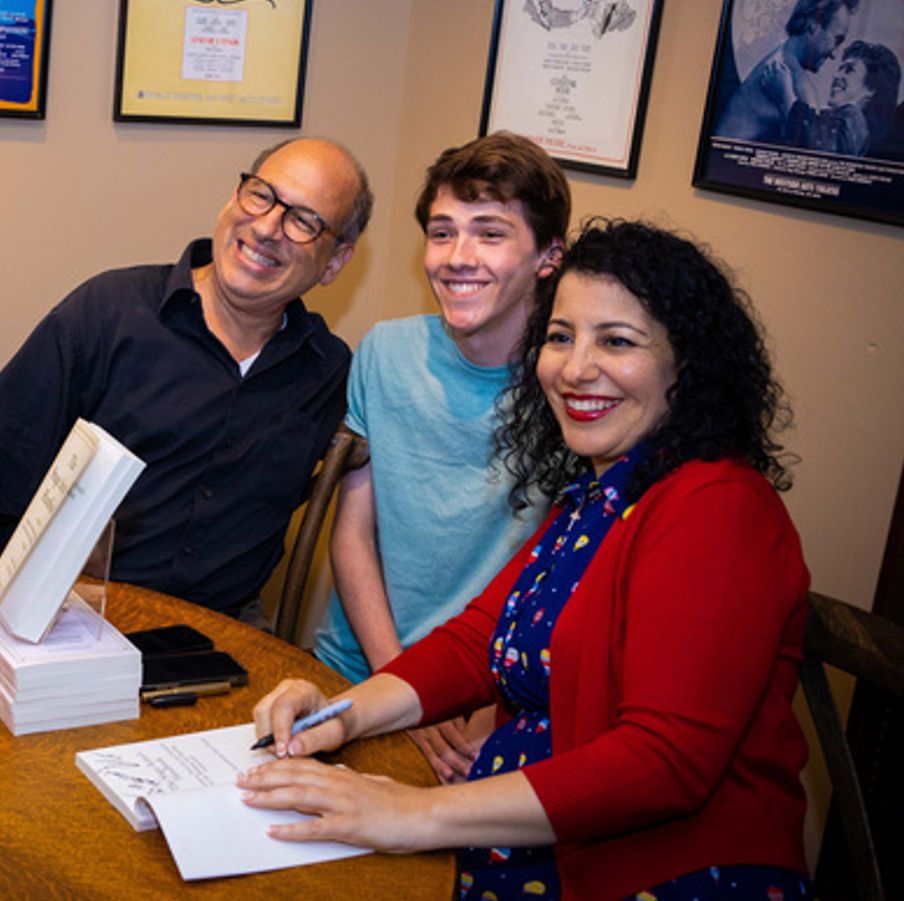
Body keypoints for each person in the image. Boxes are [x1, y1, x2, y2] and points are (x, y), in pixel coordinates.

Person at [243, 219, 811, 900]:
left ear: (686, 367)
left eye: (617, 341)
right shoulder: (602, 493)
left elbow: (664, 762)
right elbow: (478, 640)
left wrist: (410, 812)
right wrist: (335, 716)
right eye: (561, 336)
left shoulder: (717, 506)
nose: (574, 368)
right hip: (530, 844)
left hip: (658, 872)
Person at [0, 138, 373, 635]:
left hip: (215, 643)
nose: (267, 228)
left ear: (335, 261)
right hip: (60, 619)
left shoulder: (328, 374)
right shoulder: (110, 313)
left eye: (303, 221)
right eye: (261, 195)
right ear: (233, 198)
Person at [311, 133, 568, 783]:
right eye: (442, 231)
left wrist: (469, 705)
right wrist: (404, 685)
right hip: (364, 665)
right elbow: (352, 535)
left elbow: (560, 580)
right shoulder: (384, 353)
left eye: (490, 234)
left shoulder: (571, 384)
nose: (458, 257)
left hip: (494, 697)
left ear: (548, 256)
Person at [717, 0, 859, 142]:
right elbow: (817, 149)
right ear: (814, 24)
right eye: (837, 39)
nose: (835, 54)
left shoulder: (779, 61)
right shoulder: (794, 80)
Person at [777, 40, 902, 156]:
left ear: (872, 88)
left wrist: (784, 94)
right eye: (840, 69)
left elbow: (813, 143)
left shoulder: (855, 121)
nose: (836, 75)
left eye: (849, 70)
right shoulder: (849, 122)